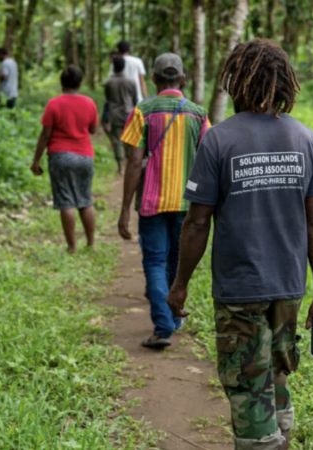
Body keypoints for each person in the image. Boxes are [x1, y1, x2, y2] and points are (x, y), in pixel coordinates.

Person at [165, 39, 313, 450]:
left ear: (234, 82)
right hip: (289, 288)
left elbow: (196, 223)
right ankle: (281, 437)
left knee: (246, 386)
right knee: (276, 372)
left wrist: (180, 283)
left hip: (240, 289)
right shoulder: (306, 139)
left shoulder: (218, 140)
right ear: (283, 85)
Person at [117, 53, 210, 349]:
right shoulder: (198, 114)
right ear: (183, 79)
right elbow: (208, 162)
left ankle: (163, 327)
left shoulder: (143, 111)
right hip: (188, 205)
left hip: (152, 203)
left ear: (155, 80)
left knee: (155, 261)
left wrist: (123, 210)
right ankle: (172, 317)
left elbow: (134, 162)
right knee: (176, 261)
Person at [31, 65, 99, 252]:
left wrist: (36, 160)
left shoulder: (54, 104)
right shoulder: (89, 103)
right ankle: (91, 244)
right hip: (85, 156)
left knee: (66, 202)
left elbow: (45, 135)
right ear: (80, 83)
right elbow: (92, 130)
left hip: (60, 157)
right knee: (85, 200)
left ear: (61, 83)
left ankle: (71, 247)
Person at [103, 55, 137, 175]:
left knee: (117, 140)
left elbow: (107, 99)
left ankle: (120, 167)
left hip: (115, 114)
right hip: (129, 113)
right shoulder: (131, 82)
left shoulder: (109, 82)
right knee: (129, 140)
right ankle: (128, 163)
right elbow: (135, 100)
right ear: (123, 67)